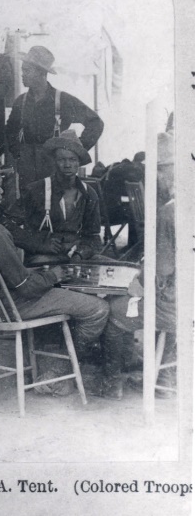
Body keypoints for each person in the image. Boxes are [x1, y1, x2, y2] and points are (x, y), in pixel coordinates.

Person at [0, 150, 109, 372]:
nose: (2, 190)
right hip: (12, 305)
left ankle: (50, 361)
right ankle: (62, 368)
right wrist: (54, 275)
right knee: (98, 308)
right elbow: (27, 288)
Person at [89, 133, 176, 400]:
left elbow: (160, 269)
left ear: (167, 173)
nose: (154, 181)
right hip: (186, 299)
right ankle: (165, 378)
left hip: (173, 306)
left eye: (157, 173)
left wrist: (134, 280)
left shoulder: (168, 212)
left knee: (115, 312)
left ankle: (111, 383)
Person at [5, 46, 104, 192]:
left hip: (53, 166)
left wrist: (76, 150)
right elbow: (10, 130)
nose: (22, 74)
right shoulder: (21, 101)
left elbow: (95, 122)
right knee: (28, 207)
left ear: (41, 73)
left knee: (54, 207)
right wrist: (17, 152)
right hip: (26, 168)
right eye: (23, 70)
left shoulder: (63, 100)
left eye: (27, 70)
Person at [0, 129, 102, 265]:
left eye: (72, 159)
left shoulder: (88, 194)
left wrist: (79, 254)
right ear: (54, 161)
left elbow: (93, 237)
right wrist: (39, 243)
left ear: (79, 162)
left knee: (120, 270)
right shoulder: (36, 190)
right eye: (62, 159)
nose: (67, 165)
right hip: (43, 258)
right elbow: (6, 224)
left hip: (77, 258)